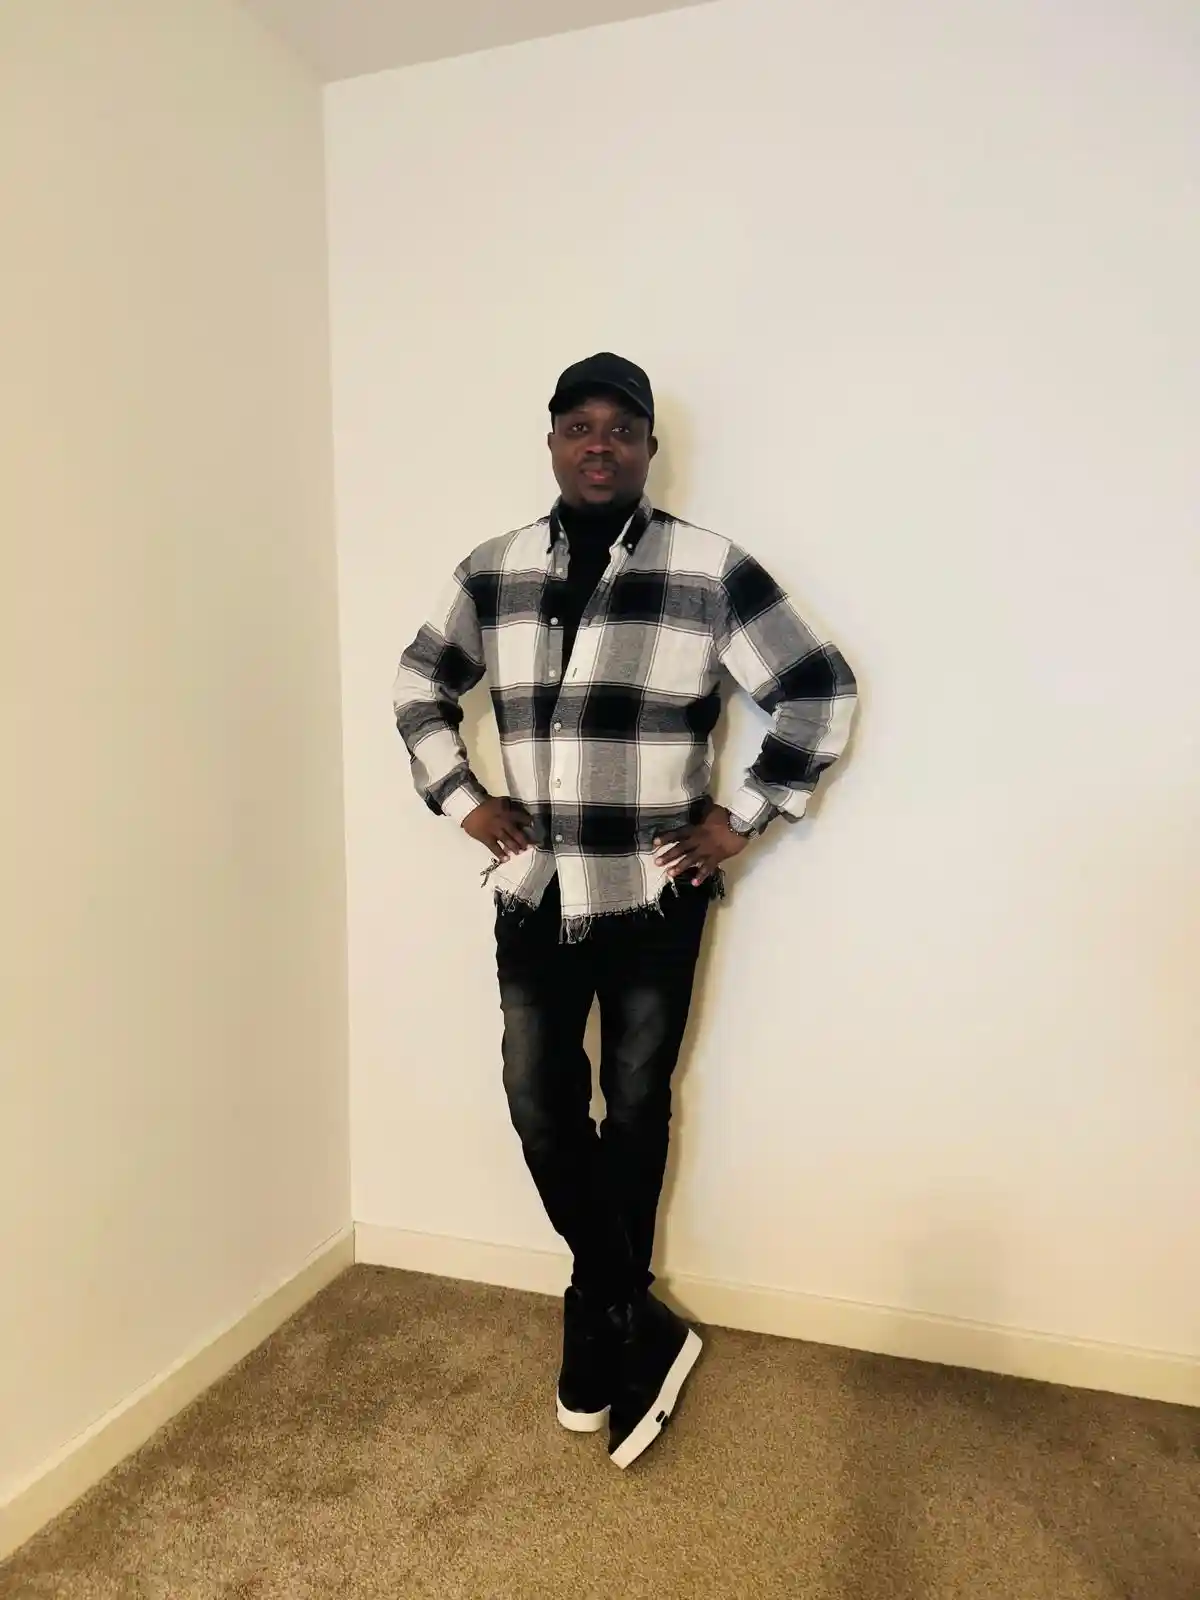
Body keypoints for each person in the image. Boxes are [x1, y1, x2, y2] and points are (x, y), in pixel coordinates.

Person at [393, 353, 857, 1468]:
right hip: (535, 888)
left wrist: (745, 816)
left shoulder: (708, 569)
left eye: (621, 428)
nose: (599, 445)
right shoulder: (494, 569)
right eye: (579, 426)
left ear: (649, 447)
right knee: (540, 1104)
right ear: (552, 442)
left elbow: (817, 686)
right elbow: (419, 685)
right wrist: (464, 800)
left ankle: (595, 1311)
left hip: (655, 891)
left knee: (637, 1106)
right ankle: (624, 1305)